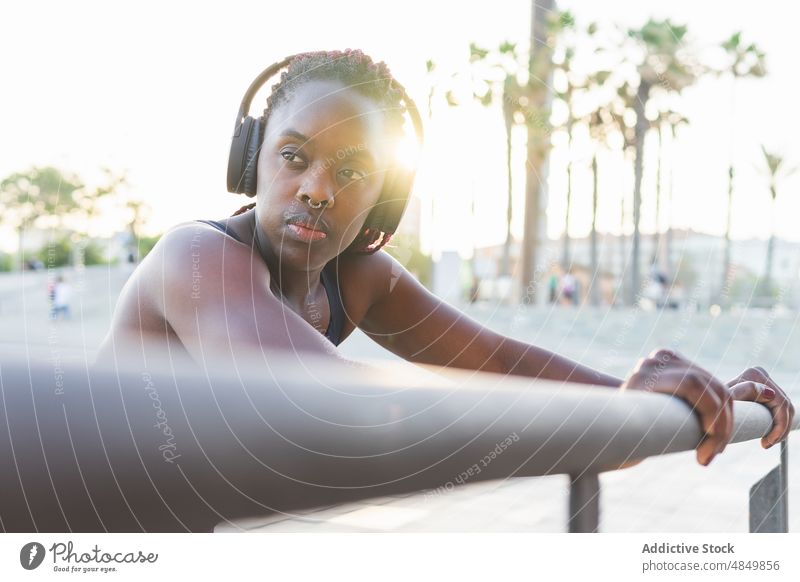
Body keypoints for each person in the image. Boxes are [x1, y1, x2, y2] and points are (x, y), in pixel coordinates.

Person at [95, 49, 793, 468]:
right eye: (292, 156)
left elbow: (498, 364)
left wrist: (651, 402)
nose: (315, 188)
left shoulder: (357, 277)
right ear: (250, 160)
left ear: (386, 203)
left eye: (352, 170)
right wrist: (618, 422)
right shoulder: (196, 258)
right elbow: (319, 398)